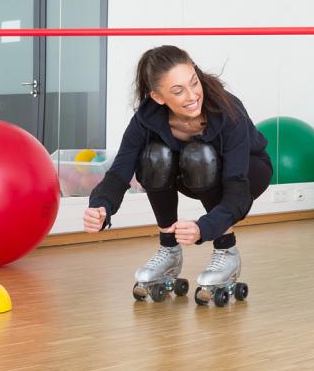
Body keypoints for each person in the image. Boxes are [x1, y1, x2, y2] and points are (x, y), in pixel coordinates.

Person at [82, 45, 272, 300]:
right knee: (154, 155)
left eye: (194, 82)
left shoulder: (227, 110)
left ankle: (226, 251)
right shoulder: (147, 118)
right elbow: (120, 170)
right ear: (158, 97)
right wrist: (101, 206)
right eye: (178, 91)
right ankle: (169, 250)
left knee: (198, 154)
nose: (193, 95)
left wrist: (204, 228)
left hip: (247, 173)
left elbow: (237, 189)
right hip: (193, 173)